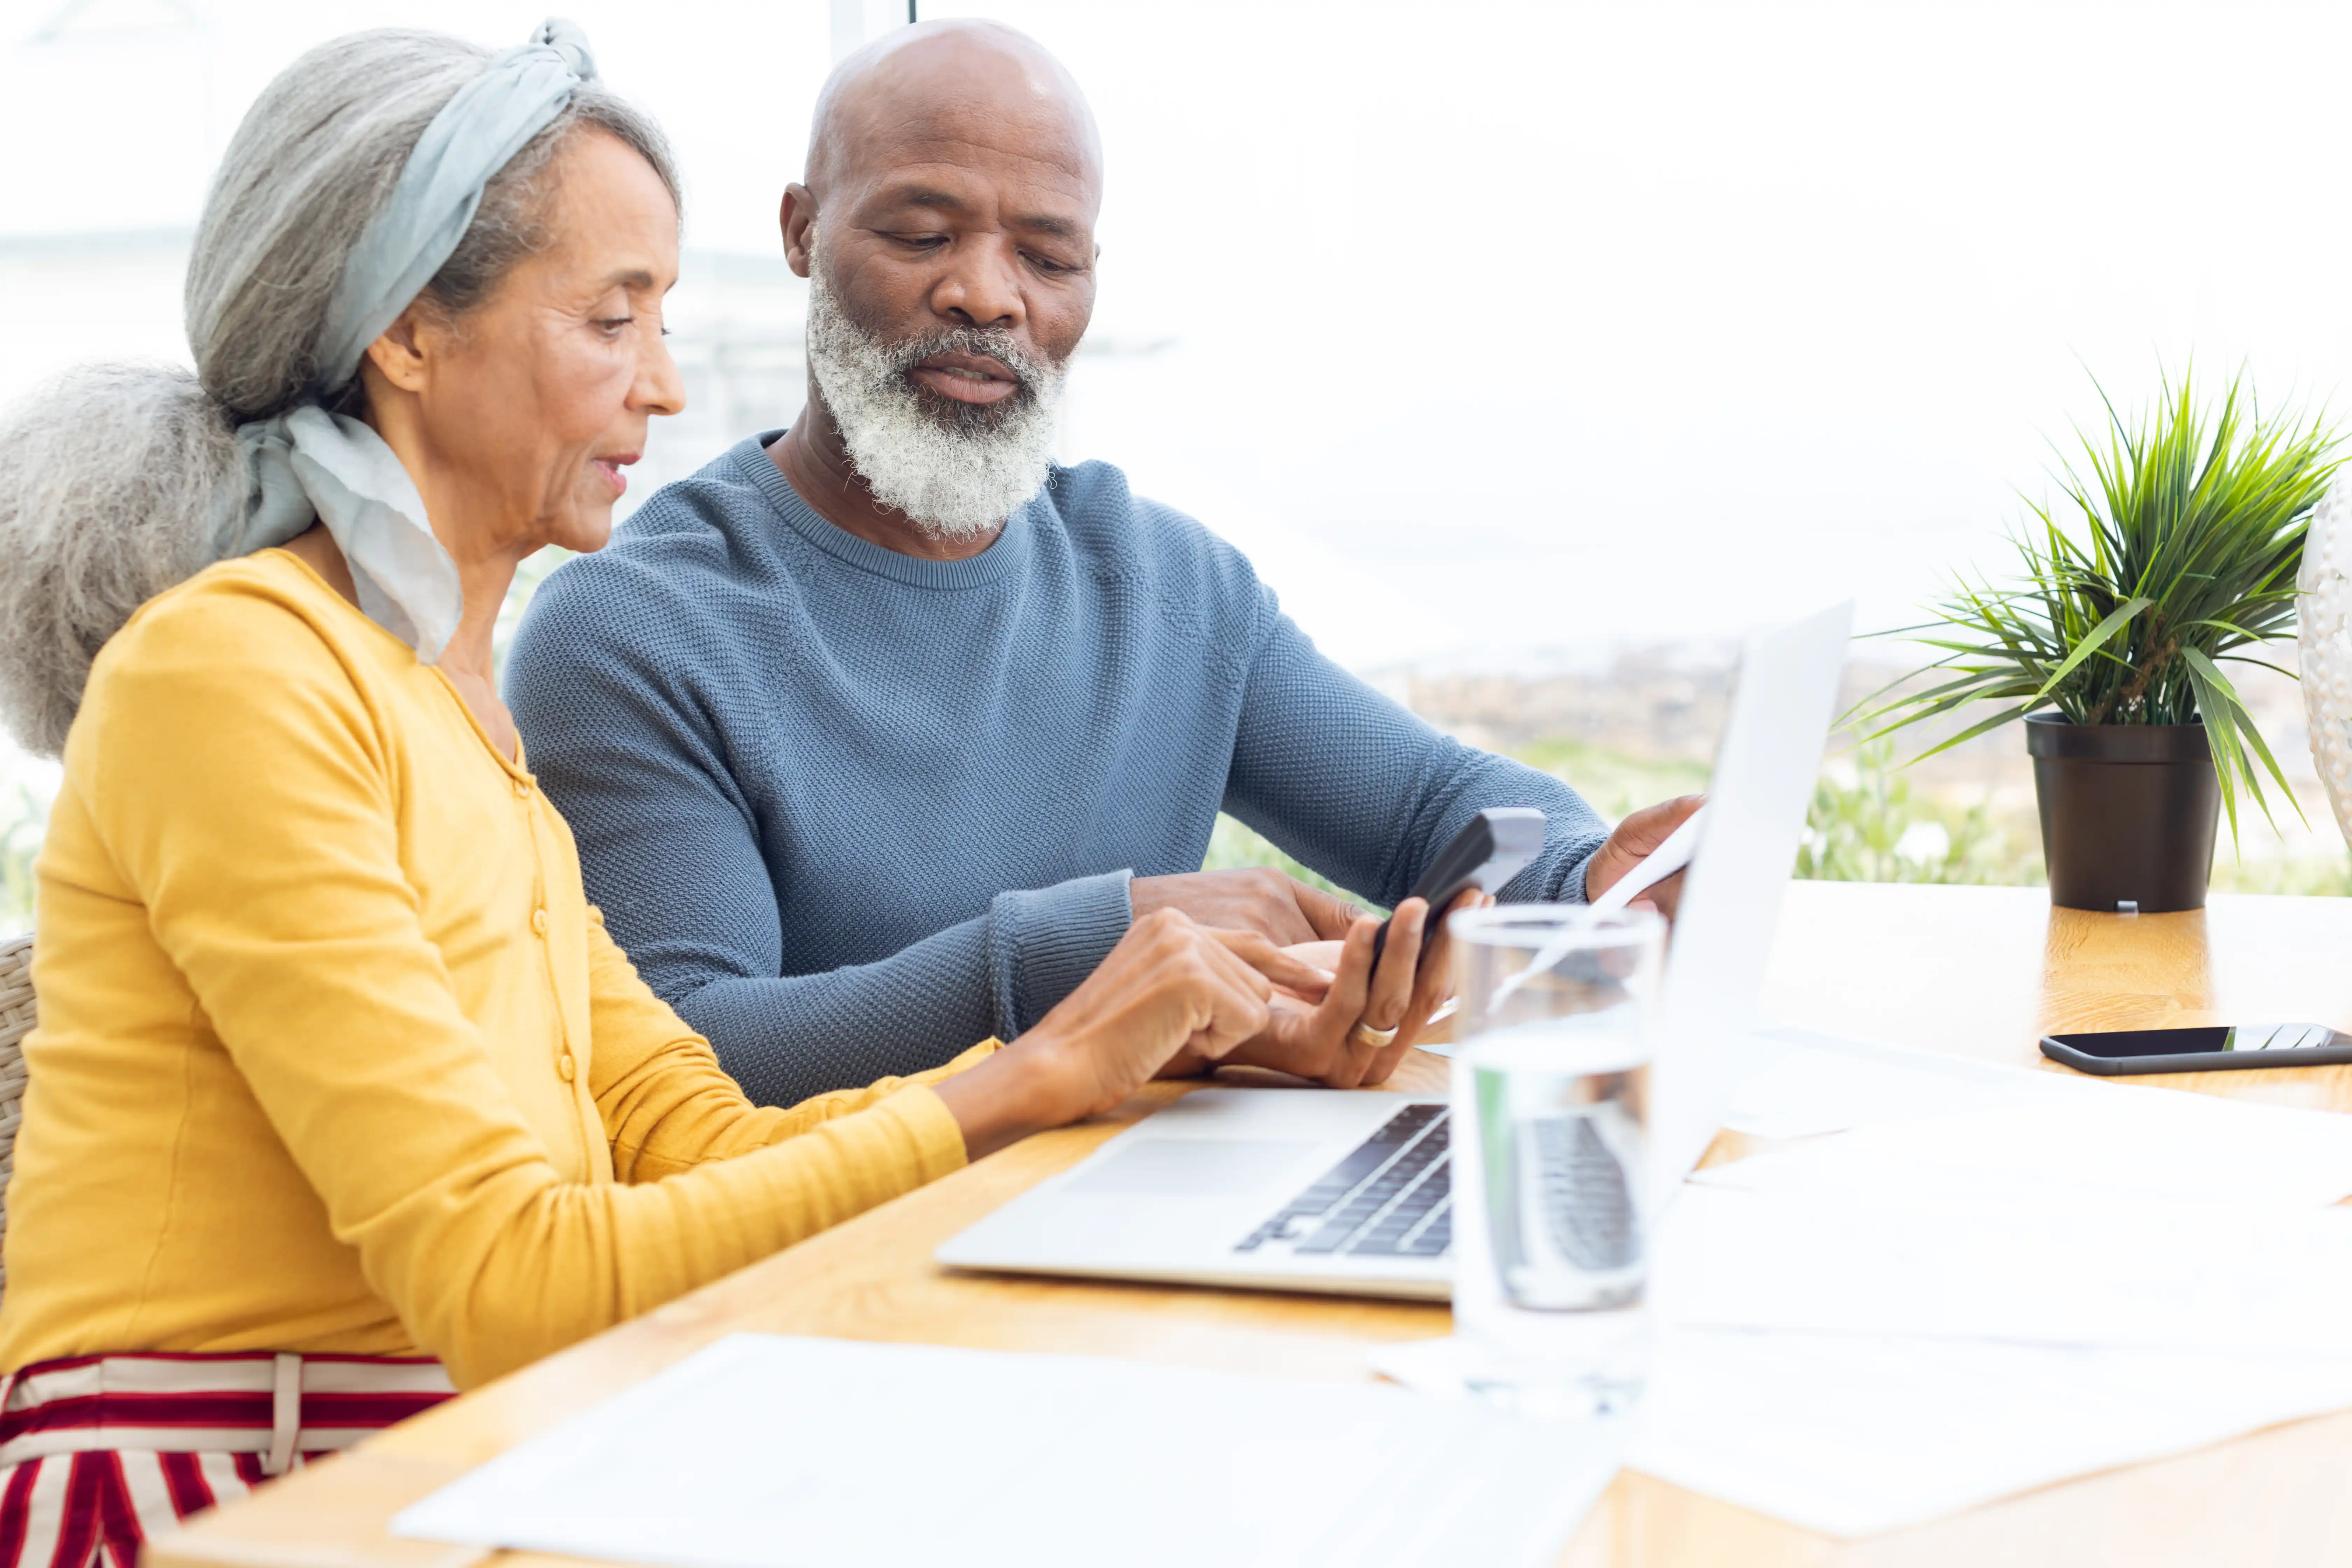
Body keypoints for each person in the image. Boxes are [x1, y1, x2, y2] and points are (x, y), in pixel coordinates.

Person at [0, 24, 1392, 1559]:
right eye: (613, 320)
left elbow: (699, 1131)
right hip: (222, 1491)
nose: (665, 386)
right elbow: (518, 1286)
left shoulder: (454, 715)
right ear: (407, 330)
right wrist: (1036, 1072)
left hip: (460, 1454)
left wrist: (1128, 1057)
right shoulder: (236, 677)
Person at [506, 19, 1704, 1109]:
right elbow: (694, 1054)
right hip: (838, 1277)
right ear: (802, 233)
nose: (988, 294)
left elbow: (1448, 812)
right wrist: (1101, 950)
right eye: (924, 233)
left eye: (1049, 257)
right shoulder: (632, 631)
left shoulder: (1167, 592)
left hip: (1134, 1227)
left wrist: (1586, 873)